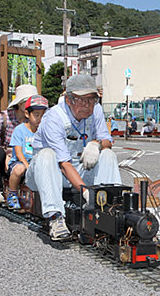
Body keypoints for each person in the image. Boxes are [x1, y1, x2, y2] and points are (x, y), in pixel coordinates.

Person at [26, 74, 122, 241]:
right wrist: (86, 192)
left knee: (107, 154)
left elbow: (108, 140)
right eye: (82, 100)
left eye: (91, 99)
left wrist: (96, 144)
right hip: (48, 172)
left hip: (79, 169)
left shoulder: (96, 110)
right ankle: (55, 218)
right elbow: (63, 164)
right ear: (68, 100)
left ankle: (111, 209)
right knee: (47, 155)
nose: (87, 105)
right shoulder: (53, 118)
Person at [0, 84, 37, 204]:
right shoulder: (2, 118)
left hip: (28, 156)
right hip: (7, 157)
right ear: (19, 104)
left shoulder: (36, 119)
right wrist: (8, 151)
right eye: (28, 102)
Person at [7, 95, 48, 209]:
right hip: (20, 162)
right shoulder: (20, 130)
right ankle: (12, 193)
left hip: (37, 162)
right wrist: (27, 165)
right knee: (19, 170)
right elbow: (18, 152)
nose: (40, 119)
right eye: (36, 115)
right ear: (27, 114)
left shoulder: (44, 131)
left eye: (43, 115)